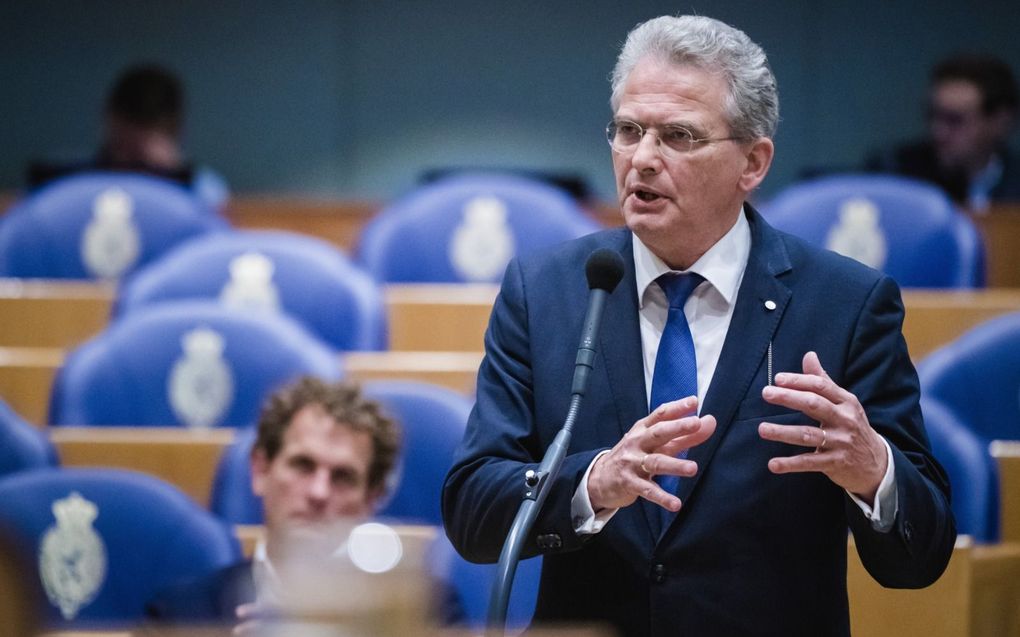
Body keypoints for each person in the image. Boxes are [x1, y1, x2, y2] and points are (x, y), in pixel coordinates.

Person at [442, 15, 955, 637]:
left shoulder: (844, 304)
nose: (643, 159)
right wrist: (593, 484)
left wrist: (874, 469)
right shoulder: (548, 290)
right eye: (629, 130)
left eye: (678, 136)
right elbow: (472, 510)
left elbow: (920, 558)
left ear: (753, 162)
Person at [146, 376, 402, 628]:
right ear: (260, 470)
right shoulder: (179, 617)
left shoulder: (428, 616)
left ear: (372, 497)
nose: (319, 492)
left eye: (343, 477)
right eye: (302, 465)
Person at [27, 64, 229, 209]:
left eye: (139, 152)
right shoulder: (64, 182)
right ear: (108, 121)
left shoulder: (202, 190)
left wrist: (163, 175)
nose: (127, 162)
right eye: (122, 146)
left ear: (175, 131)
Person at [867, 54, 1020, 210]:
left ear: (1000, 122)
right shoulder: (893, 173)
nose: (938, 132)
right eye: (932, 116)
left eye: (955, 120)